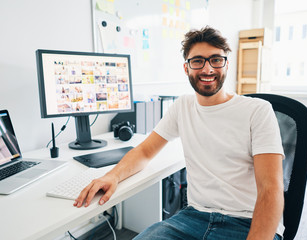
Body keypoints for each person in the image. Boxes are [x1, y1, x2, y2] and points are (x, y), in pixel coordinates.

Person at [74, 26, 284, 240]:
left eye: (216, 60)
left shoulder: (258, 110)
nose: (207, 69)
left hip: (246, 222)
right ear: (186, 68)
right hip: (193, 218)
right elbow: (146, 151)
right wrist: (112, 176)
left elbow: (270, 188)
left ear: (226, 64)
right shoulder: (182, 106)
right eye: (197, 61)